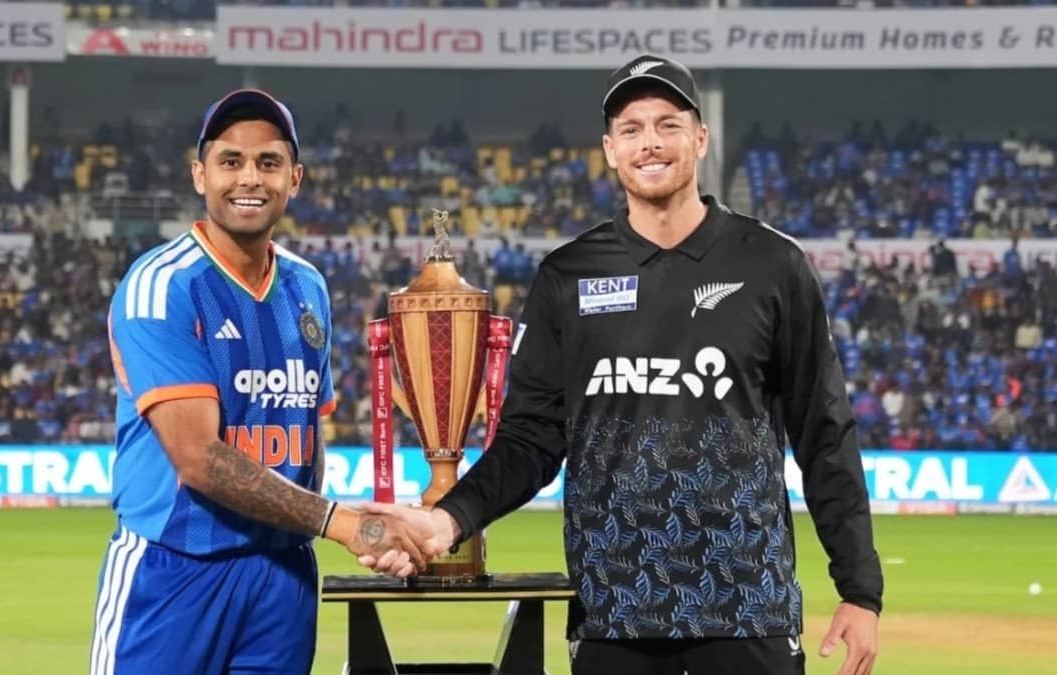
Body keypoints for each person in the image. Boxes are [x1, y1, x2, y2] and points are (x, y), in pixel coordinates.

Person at [362, 56, 883, 675]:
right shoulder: (567, 276)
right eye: (631, 129)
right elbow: (530, 438)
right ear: (611, 149)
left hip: (748, 608)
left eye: (668, 124)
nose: (650, 142)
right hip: (614, 613)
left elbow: (824, 434)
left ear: (700, 138)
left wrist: (859, 589)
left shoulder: (773, 264)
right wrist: (448, 519)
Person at [89, 89, 426, 675]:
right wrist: (347, 524)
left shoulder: (307, 286)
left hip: (282, 577)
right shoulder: (162, 285)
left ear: (295, 179)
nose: (250, 178)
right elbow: (197, 457)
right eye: (231, 161)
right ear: (200, 175)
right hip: (174, 575)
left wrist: (376, 530)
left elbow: (308, 435)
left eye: (268, 162)